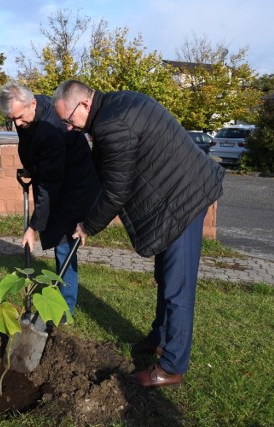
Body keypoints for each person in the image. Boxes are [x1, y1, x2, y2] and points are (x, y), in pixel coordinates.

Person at [52, 80, 225, 388]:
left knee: (177, 287)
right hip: (172, 196)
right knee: (165, 276)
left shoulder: (111, 124)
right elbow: (102, 172)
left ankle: (172, 366)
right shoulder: (113, 106)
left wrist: (88, 226)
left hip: (184, 198)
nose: (68, 127)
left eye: (68, 120)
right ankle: (160, 336)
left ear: (85, 105)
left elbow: (116, 190)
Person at [0, 81, 100, 316]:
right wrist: (31, 168)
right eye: (12, 119)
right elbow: (32, 148)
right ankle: (60, 304)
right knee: (57, 238)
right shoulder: (29, 114)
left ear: (32, 103)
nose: (17, 124)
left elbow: (49, 187)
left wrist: (33, 227)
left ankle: (64, 312)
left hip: (76, 186)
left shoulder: (51, 129)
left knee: (64, 242)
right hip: (58, 177)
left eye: (20, 117)